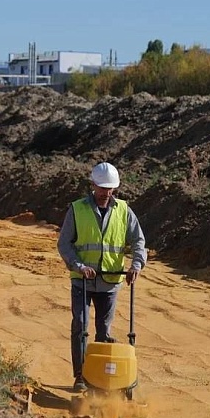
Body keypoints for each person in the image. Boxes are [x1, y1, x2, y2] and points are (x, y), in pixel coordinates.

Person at [57, 162, 146, 392]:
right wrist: (78, 265)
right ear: (93, 185)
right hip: (82, 279)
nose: (106, 192)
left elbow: (138, 241)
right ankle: (80, 376)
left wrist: (136, 264)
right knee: (80, 325)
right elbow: (64, 244)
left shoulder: (124, 210)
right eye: (102, 188)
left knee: (103, 330)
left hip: (111, 280)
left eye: (110, 188)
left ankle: (103, 378)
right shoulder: (77, 209)